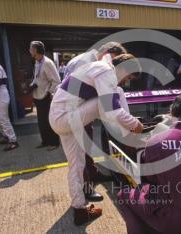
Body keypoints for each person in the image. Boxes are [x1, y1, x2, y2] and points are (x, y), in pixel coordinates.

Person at [49, 53, 144, 226]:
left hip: (61, 117)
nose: (127, 81)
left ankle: (79, 210)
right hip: (65, 117)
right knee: (114, 97)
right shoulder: (105, 71)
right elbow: (111, 110)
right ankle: (131, 138)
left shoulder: (99, 68)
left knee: (76, 166)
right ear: (124, 68)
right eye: (129, 76)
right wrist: (135, 124)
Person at [118, 94, 181, 234]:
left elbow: (150, 180)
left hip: (170, 218)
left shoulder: (155, 142)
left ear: (171, 113)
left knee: (124, 195)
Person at [64, 42, 128, 202]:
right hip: (74, 113)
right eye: (114, 60)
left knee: (87, 147)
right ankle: (86, 190)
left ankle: (93, 174)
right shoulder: (85, 62)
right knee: (80, 156)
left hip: (80, 110)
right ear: (107, 52)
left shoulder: (89, 60)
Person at [29, 41, 61, 151]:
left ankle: (54, 142)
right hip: (38, 95)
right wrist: (32, 85)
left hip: (46, 96)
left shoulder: (47, 63)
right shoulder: (37, 61)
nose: (29, 51)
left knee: (49, 120)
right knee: (41, 121)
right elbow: (37, 77)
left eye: (31, 49)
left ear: (36, 51)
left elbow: (57, 81)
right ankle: (45, 141)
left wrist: (49, 92)